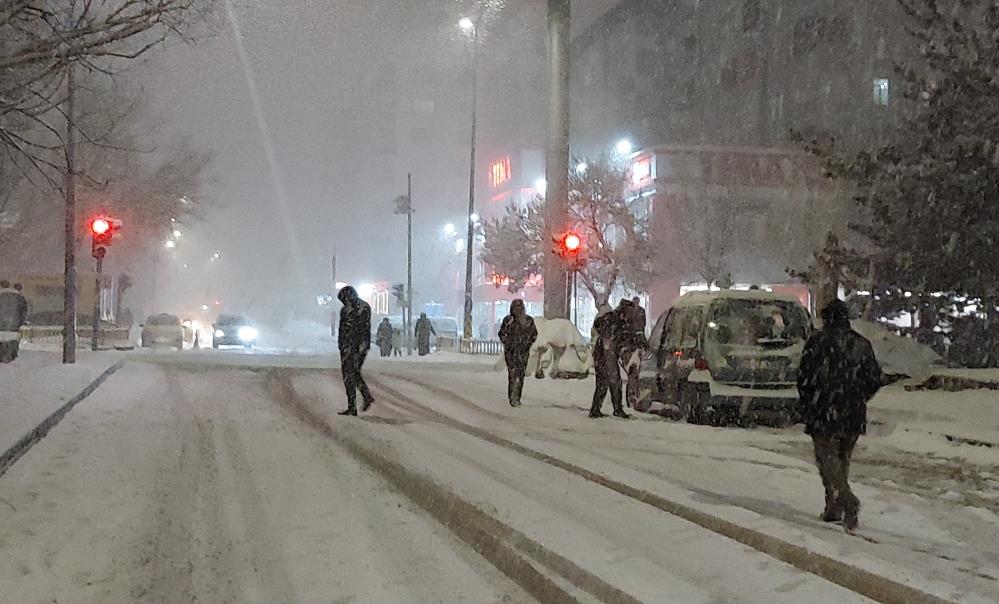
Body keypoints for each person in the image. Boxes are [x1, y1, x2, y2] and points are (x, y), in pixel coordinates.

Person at [797, 299, 881, 534]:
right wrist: (858, 397)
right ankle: (833, 506)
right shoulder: (861, 345)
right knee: (842, 459)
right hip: (852, 411)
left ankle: (845, 499)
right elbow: (874, 378)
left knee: (827, 460)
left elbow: (804, 378)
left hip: (824, 409)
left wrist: (809, 402)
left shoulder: (817, 342)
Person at [337, 285, 374, 415]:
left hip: (358, 346)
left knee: (352, 372)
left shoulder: (362, 308)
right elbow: (342, 330)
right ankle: (354, 403)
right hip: (347, 347)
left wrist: (361, 346)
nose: (344, 302)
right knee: (349, 374)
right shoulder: (345, 310)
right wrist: (341, 345)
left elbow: (363, 329)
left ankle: (363, 398)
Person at [589, 302, 630, 419]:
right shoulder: (611, 318)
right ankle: (597, 409)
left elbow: (624, 338)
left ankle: (615, 408)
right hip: (602, 355)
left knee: (614, 381)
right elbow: (599, 325)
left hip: (609, 355)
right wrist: (607, 340)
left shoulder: (622, 322)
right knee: (605, 382)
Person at [498, 299, 538, 407]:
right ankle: (512, 397)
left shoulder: (528, 321)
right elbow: (502, 334)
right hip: (511, 353)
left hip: (523, 353)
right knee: (512, 374)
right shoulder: (508, 320)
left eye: (520, 307)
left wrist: (527, 344)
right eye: (516, 308)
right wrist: (508, 343)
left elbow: (534, 335)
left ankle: (517, 397)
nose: (518, 310)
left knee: (520, 375)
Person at [617, 298, 648, 409]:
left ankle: (629, 399)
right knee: (632, 374)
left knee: (632, 375)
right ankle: (629, 399)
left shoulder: (626, 320)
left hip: (628, 349)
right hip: (627, 350)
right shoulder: (621, 321)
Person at [0, 280, 28, 363]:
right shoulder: (20, 299)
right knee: (11, 343)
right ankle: (10, 358)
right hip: (14, 326)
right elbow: (23, 312)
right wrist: (21, 322)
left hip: (0, 326)